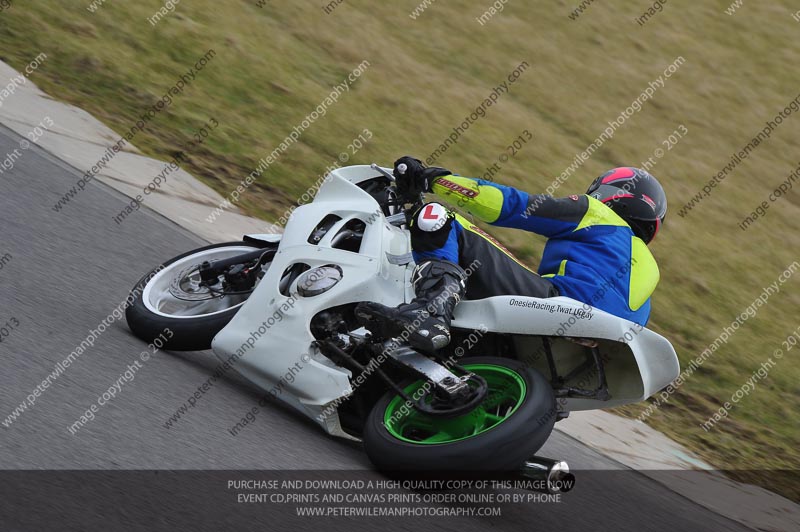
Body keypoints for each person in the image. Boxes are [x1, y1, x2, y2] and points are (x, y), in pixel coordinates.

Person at [355, 156, 667, 353]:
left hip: (557, 304)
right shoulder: (650, 274)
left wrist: (434, 180)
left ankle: (431, 313)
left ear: (612, 194)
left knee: (438, 217)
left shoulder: (598, 215)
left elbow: (512, 206)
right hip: (587, 346)